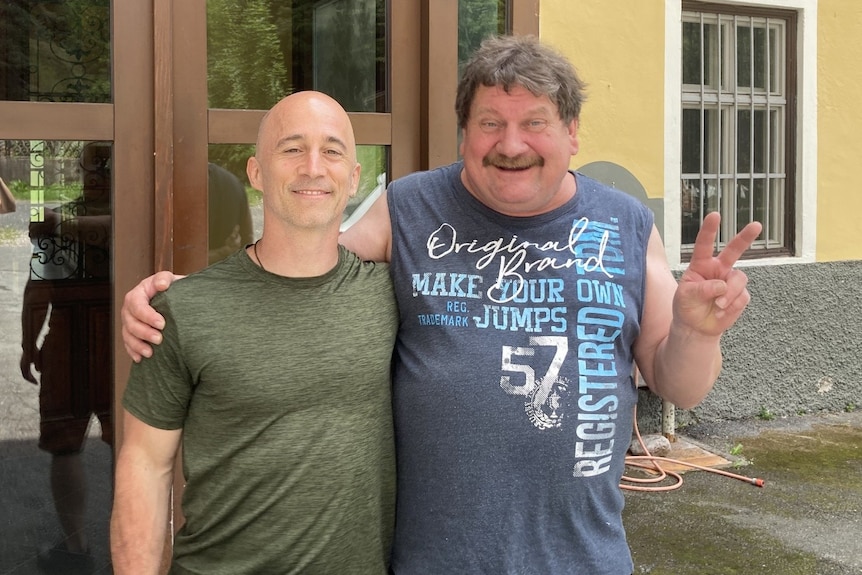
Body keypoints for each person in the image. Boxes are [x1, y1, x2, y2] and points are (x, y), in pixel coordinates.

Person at [121, 36, 762, 575]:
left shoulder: (623, 223)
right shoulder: (411, 207)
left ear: (570, 132)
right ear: (464, 134)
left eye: (534, 122)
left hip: (580, 557)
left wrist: (696, 332)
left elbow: (679, 382)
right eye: (490, 123)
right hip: (433, 560)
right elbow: (301, 256)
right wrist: (188, 300)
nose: (511, 143)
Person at [110, 91, 398, 574]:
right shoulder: (183, 308)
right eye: (291, 148)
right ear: (256, 174)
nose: (312, 166)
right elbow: (144, 465)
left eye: (332, 150)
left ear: (354, 179)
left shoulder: (394, 297)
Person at [20, 141, 113, 571]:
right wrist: (28, 341)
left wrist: (58, 222)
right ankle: (78, 548)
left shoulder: (129, 209)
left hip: (115, 335)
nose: (94, 174)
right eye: (91, 166)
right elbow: (40, 284)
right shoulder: (137, 203)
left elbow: (118, 227)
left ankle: (105, 545)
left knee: (132, 446)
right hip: (84, 337)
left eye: (102, 166)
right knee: (66, 445)